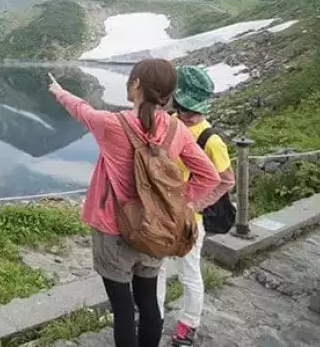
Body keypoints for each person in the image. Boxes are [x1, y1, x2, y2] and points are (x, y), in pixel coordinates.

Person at [48, 59, 220, 347]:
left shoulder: (112, 124)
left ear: (136, 83)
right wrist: (178, 204)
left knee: (123, 308)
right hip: (155, 230)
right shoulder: (177, 129)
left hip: (113, 230)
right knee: (148, 300)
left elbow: (81, 109)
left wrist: (58, 91)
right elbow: (210, 176)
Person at [156, 65, 236, 347]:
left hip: (190, 220)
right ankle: (154, 317)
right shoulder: (169, 121)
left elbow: (226, 180)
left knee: (189, 273)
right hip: (162, 214)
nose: (186, 114)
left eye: (190, 109)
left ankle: (188, 324)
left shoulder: (211, 140)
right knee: (156, 269)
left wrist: (195, 204)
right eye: (182, 107)